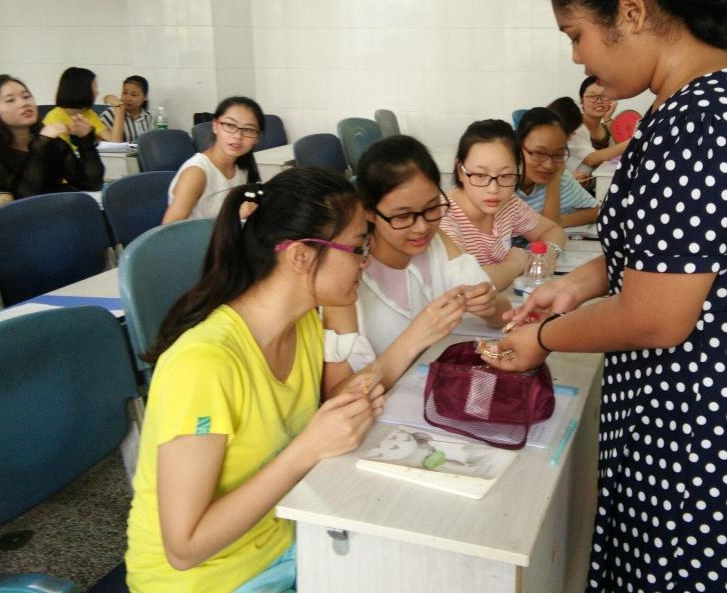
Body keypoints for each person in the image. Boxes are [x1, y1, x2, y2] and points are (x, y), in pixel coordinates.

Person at [482, 0, 727, 591]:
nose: (577, 56)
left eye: (577, 34)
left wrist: (543, 338)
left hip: (704, 438)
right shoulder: (697, 105)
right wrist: (576, 285)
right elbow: (669, 250)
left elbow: (655, 315)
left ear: (632, 11)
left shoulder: (701, 126)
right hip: (706, 416)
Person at [126, 167, 385, 591]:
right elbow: (185, 548)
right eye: (358, 247)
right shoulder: (204, 363)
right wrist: (307, 449)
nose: (366, 260)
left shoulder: (303, 323)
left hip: (284, 541)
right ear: (300, 256)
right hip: (210, 582)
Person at [328, 134, 509, 386]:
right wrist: (415, 338)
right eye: (403, 216)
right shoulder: (347, 278)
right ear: (369, 212)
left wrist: (491, 306)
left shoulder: (437, 242)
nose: (422, 227)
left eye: (432, 207)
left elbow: (504, 316)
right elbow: (337, 393)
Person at [439, 119, 566, 290]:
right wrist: (515, 264)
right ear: (460, 171)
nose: (493, 189)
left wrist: (545, 256)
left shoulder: (508, 204)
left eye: (506, 175)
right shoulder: (442, 216)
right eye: (480, 175)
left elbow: (552, 230)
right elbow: (468, 284)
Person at [0, 74, 104, 197]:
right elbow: (25, 197)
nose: (24, 103)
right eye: (10, 100)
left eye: (26, 96)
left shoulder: (50, 142)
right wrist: (40, 147)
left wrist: (85, 142)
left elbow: (92, 184)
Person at [163, 96, 263, 223]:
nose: (238, 136)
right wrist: (233, 218)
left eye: (248, 130)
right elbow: (169, 230)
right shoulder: (196, 173)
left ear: (257, 137)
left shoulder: (242, 166)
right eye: (230, 125)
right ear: (215, 126)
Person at [514, 106, 598, 228]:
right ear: (518, 147)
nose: (549, 165)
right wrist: (549, 223)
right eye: (539, 153)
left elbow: (595, 211)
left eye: (558, 154)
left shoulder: (560, 175)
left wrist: (554, 181)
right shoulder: (501, 182)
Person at [566, 78, 629, 185]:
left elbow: (623, 153)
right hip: (573, 189)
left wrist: (608, 119)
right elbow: (592, 159)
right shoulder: (574, 127)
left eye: (604, 96)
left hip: (599, 186)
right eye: (592, 96)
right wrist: (633, 140)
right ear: (581, 101)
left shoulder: (606, 127)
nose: (599, 101)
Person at [42, 66, 125, 146]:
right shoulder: (54, 117)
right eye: (95, 87)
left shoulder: (89, 114)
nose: (97, 92)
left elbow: (115, 142)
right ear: (83, 89)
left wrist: (119, 108)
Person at [101, 75, 153, 143]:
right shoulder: (110, 114)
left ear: (145, 97)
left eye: (134, 95)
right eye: (125, 93)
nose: (128, 99)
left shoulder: (148, 117)